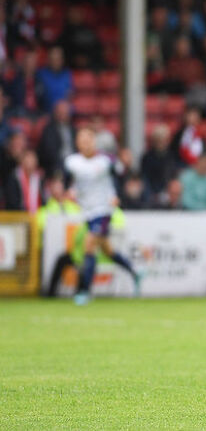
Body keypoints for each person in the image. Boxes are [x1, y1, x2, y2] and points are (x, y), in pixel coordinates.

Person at [64, 128, 140, 305]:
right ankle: (135, 272)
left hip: (104, 210)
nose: (86, 143)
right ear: (77, 143)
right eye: (82, 139)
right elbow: (69, 183)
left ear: (94, 141)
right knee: (108, 250)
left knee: (89, 244)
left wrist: (116, 195)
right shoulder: (72, 162)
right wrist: (70, 191)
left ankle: (84, 291)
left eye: (89, 138)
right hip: (87, 211)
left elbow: (119, 177)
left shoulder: (106, 161)